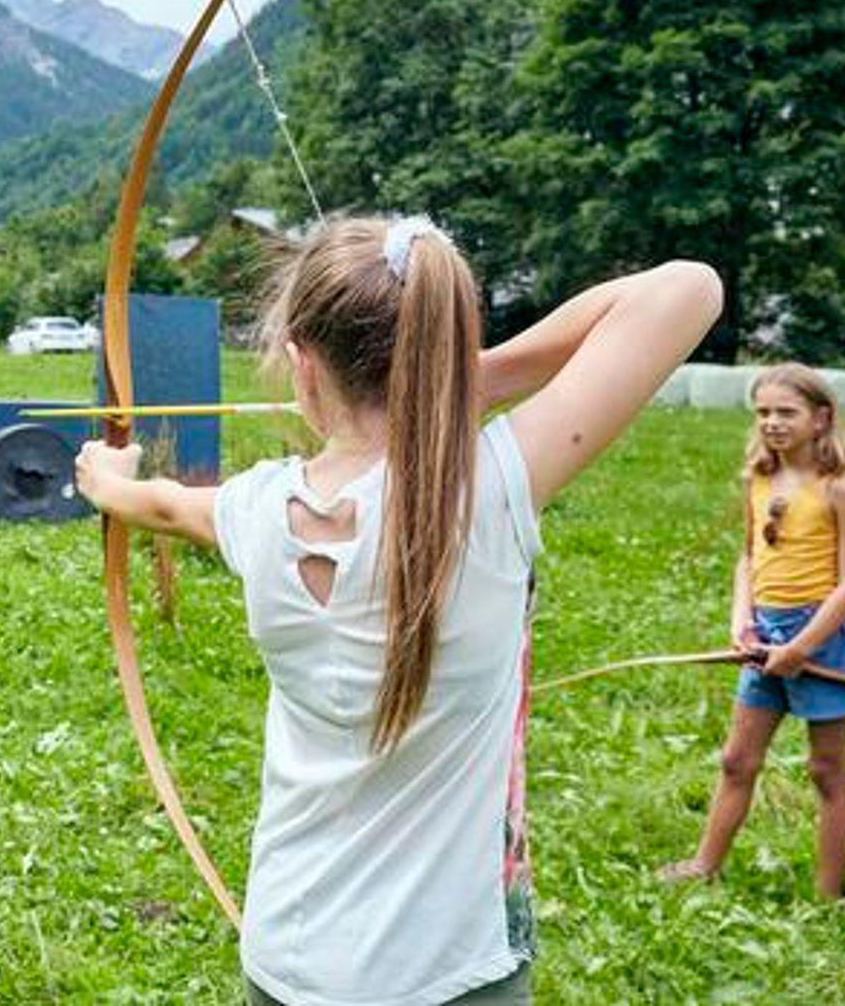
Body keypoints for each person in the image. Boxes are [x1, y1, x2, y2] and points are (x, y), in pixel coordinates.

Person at [76, 215, 721, 1006]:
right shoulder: (488, 494)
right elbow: (689, 288)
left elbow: (164, 505)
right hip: (448, 975)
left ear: (301, 365)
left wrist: (106, 479)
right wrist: (465, 377)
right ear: (435, 352)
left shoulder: (254, 509)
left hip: (286, 961)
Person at [660, 363, 845, 897]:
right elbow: (748, 556)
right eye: (763, 412)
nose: (772, 422)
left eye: (787, 411)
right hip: (764, 635)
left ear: (821, 418)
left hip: (821, 638)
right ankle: (705, 865)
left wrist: (802, 647)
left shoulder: (835, 488)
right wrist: (741, 621)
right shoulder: (758, 478)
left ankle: (829, 892)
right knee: (737, 760)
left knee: (829, 770)